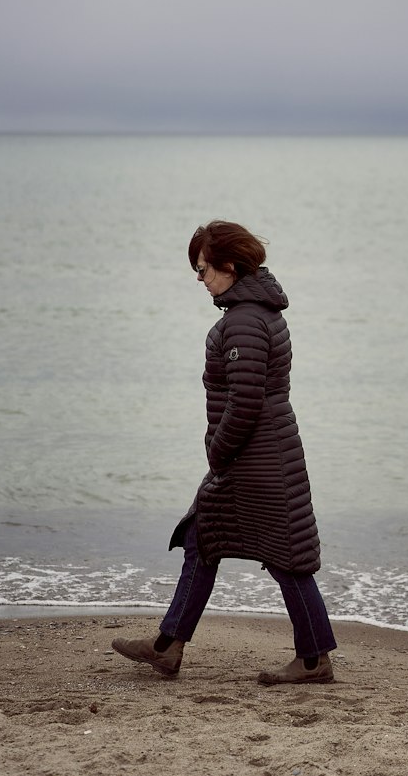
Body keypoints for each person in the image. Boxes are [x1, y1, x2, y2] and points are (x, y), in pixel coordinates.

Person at [112, 220, 337, 685]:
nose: (199, 279)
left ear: (229, 266)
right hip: (261, 455)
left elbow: (247, 399)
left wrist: (217, 451)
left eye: (202, 269)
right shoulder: (258, 312)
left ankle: (313, 660)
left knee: (285, 557)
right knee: (202, 538)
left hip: (255, 460)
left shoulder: (244, 321)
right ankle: (168, 645)